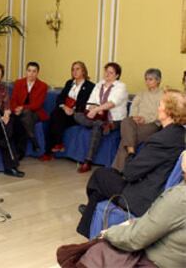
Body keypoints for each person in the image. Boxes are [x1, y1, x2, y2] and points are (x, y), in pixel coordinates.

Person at [76, 89, 186, 238]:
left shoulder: (160, 140)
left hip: (141, 198)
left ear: (168, 111)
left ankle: (89, 217)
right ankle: (89, 216)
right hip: (156, 189)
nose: (158, 107)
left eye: (160, 104)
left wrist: (131, 152)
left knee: (100, 175)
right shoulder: (179, 135)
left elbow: (130, 173)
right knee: (107, 179)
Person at [100, 150, 186, 267]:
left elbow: (135, 238)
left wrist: (108, 233)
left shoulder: (179, 197)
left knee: (92, 252)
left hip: (158, 261)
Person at [74, 62, 128, 173]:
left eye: (111, 73)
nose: (107, 74)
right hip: (98, 118)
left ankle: (88, 161)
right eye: (106, 71)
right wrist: (92, 107)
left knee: (98, 124)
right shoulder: (99, 85)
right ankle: (101, 125)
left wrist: (96, 109)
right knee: (77, 115)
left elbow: (112, 103)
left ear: (117, 75)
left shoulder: (121, 86)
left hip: (113, 119)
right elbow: (89, 102)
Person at [41, 61, 95, 161]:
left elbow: (87, 103)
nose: (75, 71)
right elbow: (60, 98)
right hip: (65, 111)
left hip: (77, 114)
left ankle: (49, 151)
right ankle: (57, 144)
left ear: (83, 71)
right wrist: (65, 107)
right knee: (55, 116)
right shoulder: (69, 83)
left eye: (77, 69)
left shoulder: (90, 86)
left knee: (56, 116)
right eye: (73, 69)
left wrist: (72, 110)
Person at [112, 68, 163, 171]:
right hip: (136, 121)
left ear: (158, 80)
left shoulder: (164, 95)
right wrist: (135, 117)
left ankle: (117, 169)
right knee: (126, 121)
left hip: (152, 124)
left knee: (126, 138)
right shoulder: (141, 93)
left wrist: (145, 119)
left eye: (150, 79)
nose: (147, 82)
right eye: (146, 79)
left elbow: (160, 113)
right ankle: (130, 154)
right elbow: (133, 106)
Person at [10, 61, 48, 159]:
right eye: (29, 71)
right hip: (19, 112)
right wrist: (15, 109)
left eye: (34, 71)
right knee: (21, 120)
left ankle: (21, 150)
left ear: (37, 73)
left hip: (35, 112)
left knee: (26, 114)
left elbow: (37, 105)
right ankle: (32, 139)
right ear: (26, 71)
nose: (31, 74)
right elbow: (13, 99)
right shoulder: (18, 83)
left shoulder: (42, 86)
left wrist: (22, 108)